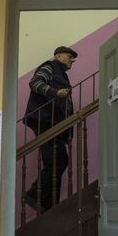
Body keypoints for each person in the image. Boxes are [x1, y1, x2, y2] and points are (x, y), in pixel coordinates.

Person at [23, 46, 77, 212]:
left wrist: (68, 132)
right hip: (44, 121)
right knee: (58, 160)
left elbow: (67, 106)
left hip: (56, 125)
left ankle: (47, 205)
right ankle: (34, 195)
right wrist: (55, 92)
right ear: (58, 56)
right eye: (70, 57)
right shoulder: (49, 67)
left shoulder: (63, 76)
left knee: (57, 161)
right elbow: (35, 83)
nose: (72, 61)